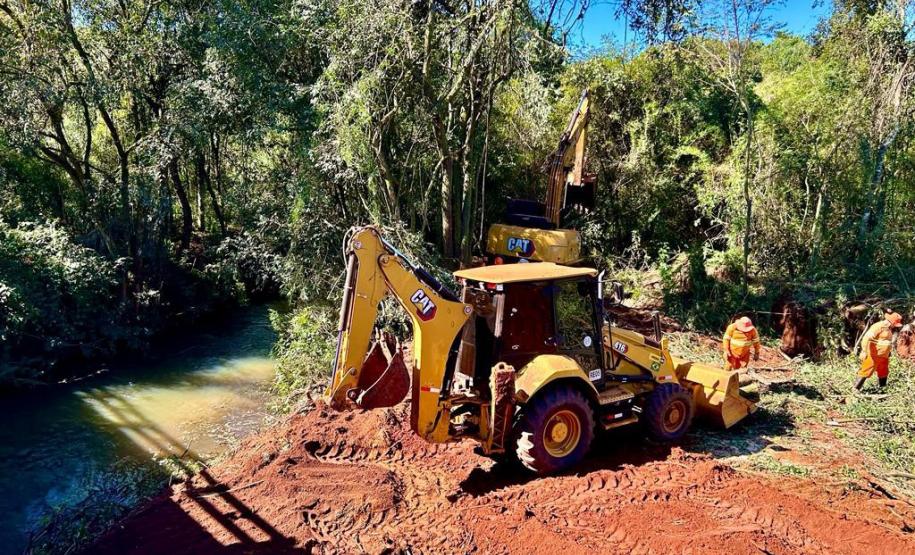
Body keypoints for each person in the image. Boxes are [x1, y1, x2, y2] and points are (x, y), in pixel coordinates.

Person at [854, 312, 903, 390]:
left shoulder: (889, 329)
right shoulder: (878, 326)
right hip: (873, 355)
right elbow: (867, 338)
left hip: (883, 356)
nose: (895, 326)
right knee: (866, 370)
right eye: (895, 324)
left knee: (883, 372)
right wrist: (864, 351)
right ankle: (855, 390)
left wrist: (888, 351)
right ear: (892, 322)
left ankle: (882, 389)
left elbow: (885, 341)